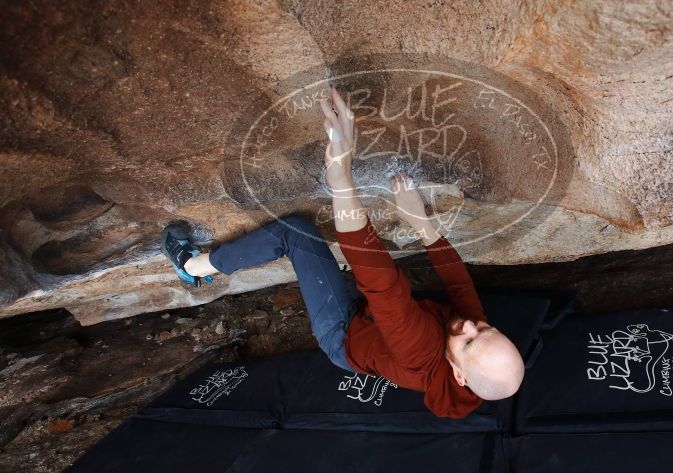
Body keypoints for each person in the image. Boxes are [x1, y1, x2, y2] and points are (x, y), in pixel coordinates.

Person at [160, 84, 524, 418]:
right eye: (486, 328)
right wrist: (422, 224)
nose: (469, 324)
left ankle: (193, 266)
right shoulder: (473, 338)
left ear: (458, 376)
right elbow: (460, 286)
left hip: (344, 332)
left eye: (469, 341)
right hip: (372, 322)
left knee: (297, 233)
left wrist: (341, 177)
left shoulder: (422, 353)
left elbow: (383, 285)